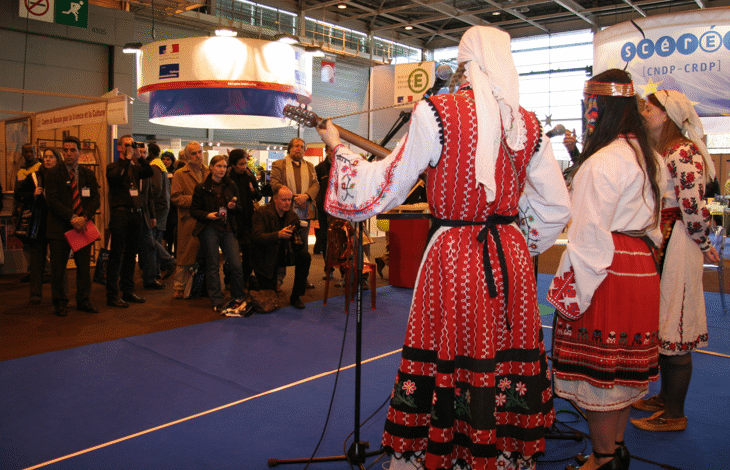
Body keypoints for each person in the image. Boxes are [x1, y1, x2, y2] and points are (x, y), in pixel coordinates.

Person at [317, 26, 570, 470]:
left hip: (454, 254)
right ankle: (501, 452)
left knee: (446, 351)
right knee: (500, 353)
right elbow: (554, 206)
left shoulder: (438, 112)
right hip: (508, 256)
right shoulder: (527, 123)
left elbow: (389, 183)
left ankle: (441, 450)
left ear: (466, 62)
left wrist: (338, 150)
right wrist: (517, 238)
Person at [546, 69, 666, 470]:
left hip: (608, 268)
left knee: (600, 374)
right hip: (641, 266)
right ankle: (614, 449)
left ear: (600, 109)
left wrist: (572, 291)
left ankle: (601, 460)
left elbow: (587, 238)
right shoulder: (648, 157)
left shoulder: (603, 161)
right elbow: (655, 227)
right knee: (622, 372)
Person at [629, 90, 720, 433]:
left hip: (678, 244)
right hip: (664, 241)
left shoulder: (683, 152)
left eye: (649, 108)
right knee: (666, 322)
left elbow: (693, 209)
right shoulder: (664, 151)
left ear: (665, 114)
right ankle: (665, 398)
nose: (645, 112)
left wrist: (702, 241)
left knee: (676, 323)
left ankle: (674, 414)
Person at [45, 136, 101, 317]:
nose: (68, 154)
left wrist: (84, 217)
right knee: (59, 269)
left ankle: (84, 300)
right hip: (60, 228)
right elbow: (52, 200)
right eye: (65, 150)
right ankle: (60, 302)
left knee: (84, 267)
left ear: (79, 152)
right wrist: (72, 217)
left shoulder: (87, 174)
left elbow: (95, 199)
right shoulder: (53, 173)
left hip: (82, 227)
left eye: (72, 150)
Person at [190, 155, 246, 311]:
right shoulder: (201, 187)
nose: (222, 169)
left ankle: (238, 296)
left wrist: (233, 207)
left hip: (228, 228)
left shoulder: (231, 185)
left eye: (224, 166)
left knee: (236, 264)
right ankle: (216, 299)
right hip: (209, 228)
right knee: (213, 265)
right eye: (219, 166)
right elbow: (194, 210)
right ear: (211, 167)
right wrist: (207, 215)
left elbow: (240, 208)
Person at [105, 134, 154, 308]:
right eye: (126, 144)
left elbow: (149, 172)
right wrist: (126, 158)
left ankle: (128, 290)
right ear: (119, 147)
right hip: (120, 214)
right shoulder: (113, 167)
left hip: (135, 214)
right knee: (116, 254)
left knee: (131, 255)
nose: (130, 147)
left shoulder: (134, 168)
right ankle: (112, 294)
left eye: (131, 144)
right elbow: (118, 177)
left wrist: (140, 157)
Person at [251, 186, 312, 310]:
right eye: (284, 200)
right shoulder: (261, 213)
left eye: (290, 200)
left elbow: (296, 244)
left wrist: (298, 234)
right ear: (275, 199)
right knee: (270, 296)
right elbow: (257, 237)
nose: (288, 203)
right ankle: (254, 282)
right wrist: (278, 235)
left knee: (305, 256)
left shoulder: (292, 216)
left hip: (284, 253)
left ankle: (296, 296)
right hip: (265, 256)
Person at [270, 138, 318, 290]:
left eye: (302, 146)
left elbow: (315, 184)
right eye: (296, 146)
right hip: (283, 211)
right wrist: (292, 197)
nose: (299, 148)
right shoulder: (279, 164)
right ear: (290, 148)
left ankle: (302, 279)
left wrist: (306, 196)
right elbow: (275, 183)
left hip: (304, 211)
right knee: (281, 246)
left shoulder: (310, 166)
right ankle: (278, 280)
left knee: (302, 247)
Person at [14, 147, 60, 304]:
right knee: (36, 261)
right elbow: (18, 194)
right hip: (38, 223)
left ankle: (59, 296)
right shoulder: (34, 176)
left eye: (51, 157)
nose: (47, 159)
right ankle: (35, 293)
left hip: (56, 222)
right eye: (45, 156)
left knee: (57, 261)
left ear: (57, 159)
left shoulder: (62, 176)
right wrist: (33, 195)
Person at [171, 141, 209, 299]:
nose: (198, 156)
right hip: (189, 219)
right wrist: (196, 200)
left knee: (207, 253)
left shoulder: (208, 172)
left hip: (207, 219)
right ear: (187, 156)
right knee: (185, 253)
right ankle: (179, 286)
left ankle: (203, 286)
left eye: (199, 152)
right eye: (194, 153)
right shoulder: (180, 174)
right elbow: (176, 197)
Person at [140, 143, 176, 288]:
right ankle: (153, 275)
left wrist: (147, 203)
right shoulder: (159, 165)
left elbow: (154, 188)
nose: (142, 155)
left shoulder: (154, 166)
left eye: (144, 152)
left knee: (150, 241)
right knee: (152, 241)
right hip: (161, 208)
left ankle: (166, 263)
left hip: (156, 209)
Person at [227, 149, 262, 287]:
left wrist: (253, 191)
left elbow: (258, 196)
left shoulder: (249, 176)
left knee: (248, 252)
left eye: (245, 163)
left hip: (248, 219)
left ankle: (245, 278)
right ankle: (230, 280)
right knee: (232, 254)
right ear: (233, 164)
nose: (243, 167)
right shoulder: (228, 178)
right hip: (232, 220)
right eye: (240, 164)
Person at [15, 143, 42, 282]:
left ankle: (44, 271)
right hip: (23, 212)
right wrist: (15, 212)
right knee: (25, 242)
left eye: (31, 151)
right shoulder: (20, 171)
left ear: (35, 152)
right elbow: (17, 194)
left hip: (37, 211)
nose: (29, 154)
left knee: (38, 243)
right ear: (22, 153)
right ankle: (32, 271)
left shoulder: (40, 169)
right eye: (26, 152)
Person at [313, 145, 333, 257]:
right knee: (325, 237)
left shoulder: (342, 167)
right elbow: (315, 188)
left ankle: (343, 268)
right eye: (331, 150)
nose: (333, 153)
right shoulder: (319, 168)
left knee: (340, 237)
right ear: (326, 152)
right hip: (324, 210)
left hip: (340, 209)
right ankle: (328, 268)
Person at [161, 151, 178, 257]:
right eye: (164, 159)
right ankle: (164, 255)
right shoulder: (159, 171)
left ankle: (172, 254)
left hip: (173, 207)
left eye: (168, 159)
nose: (166, 161)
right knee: (163, 232)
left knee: (172, 231)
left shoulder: (175, 173)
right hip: (163, 205)